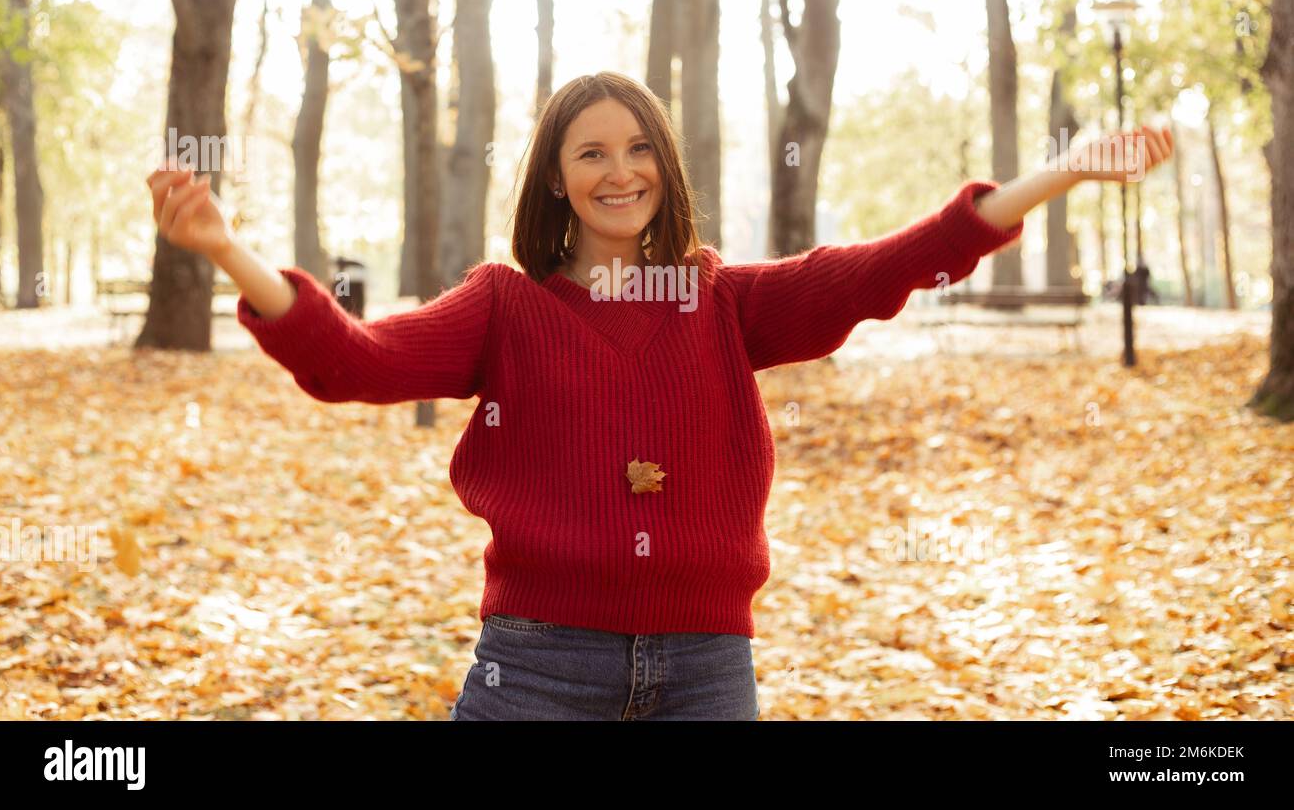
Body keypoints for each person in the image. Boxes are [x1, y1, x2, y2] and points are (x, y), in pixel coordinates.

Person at [146, 71, 1174, 720]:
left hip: (706, 669)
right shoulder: (503, 306)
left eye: (637, 148)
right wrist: (226, 248)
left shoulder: (724, 300)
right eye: (590, 151)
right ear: (555, 178)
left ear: (664, 167)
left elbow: (891, 262)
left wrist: (1063, 172)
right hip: (537, 667)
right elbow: (353, 359)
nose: (618, 169)